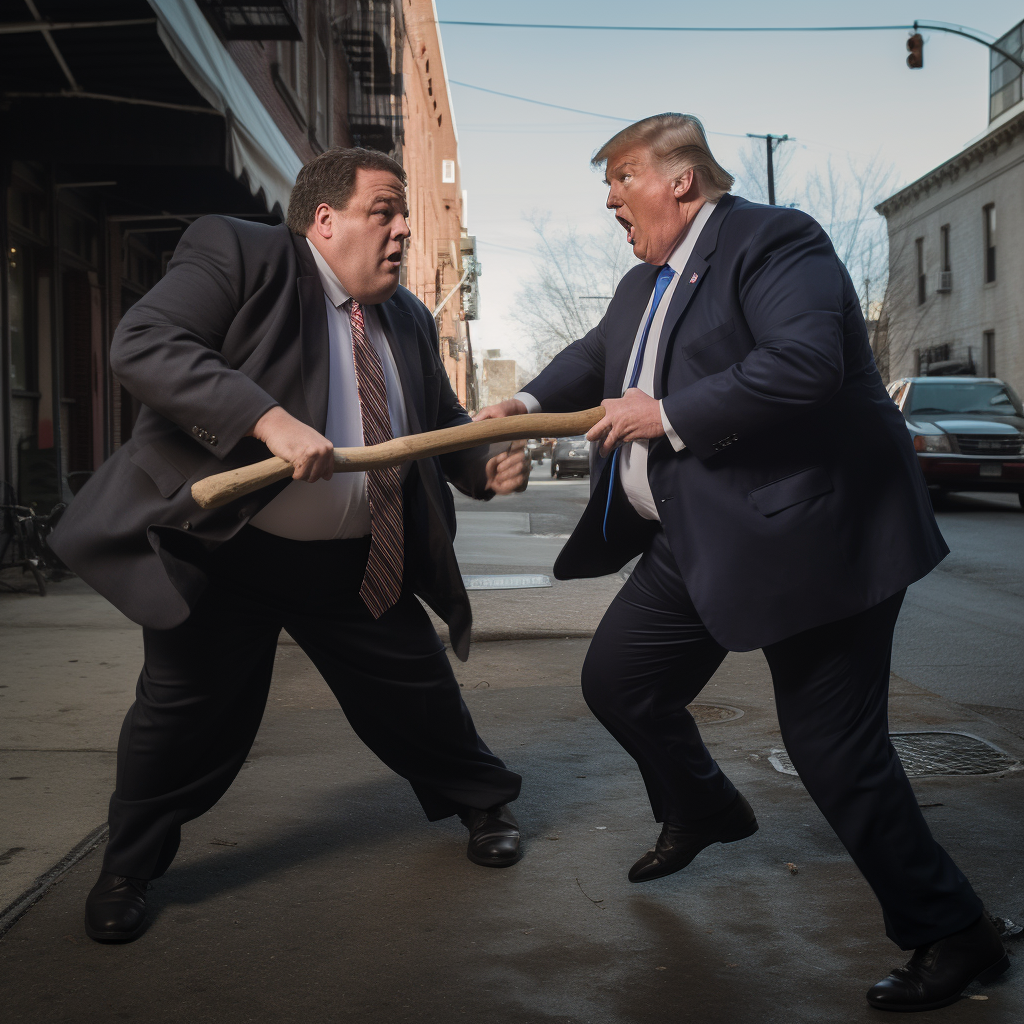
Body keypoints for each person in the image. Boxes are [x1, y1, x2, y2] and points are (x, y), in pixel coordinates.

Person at [474, 114, 1008, 1012]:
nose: (610, 200)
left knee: (833, 750)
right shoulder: (650, 278)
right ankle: (708, 807)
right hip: (704, 535)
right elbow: (596, 357)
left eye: (622, 180)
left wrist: (666, 415)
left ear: (681, 179)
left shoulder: (776, 241)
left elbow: (805, 363)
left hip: (815, 538)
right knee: (620, 680)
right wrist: (519, 403)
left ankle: (954, 932)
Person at [51, 147, 530, 945]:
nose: (404, 228)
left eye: (405, 213)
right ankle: (127, 868)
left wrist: (484, 465)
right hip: (228, 551)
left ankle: (483, 805)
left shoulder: (406, 315)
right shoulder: (241, 254)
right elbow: (147, 342)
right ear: (324, 219)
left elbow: (441, 427)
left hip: (350, 561)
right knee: (182, 717)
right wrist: (266, 420)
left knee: (416, 693)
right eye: (386, 209)